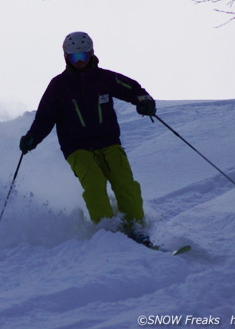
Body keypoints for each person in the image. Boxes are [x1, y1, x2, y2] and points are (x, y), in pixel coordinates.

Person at [19, 31, 157, 246]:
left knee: (125, 183)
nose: (80, 61)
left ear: (92, 53)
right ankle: (108, 232)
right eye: (75, 58)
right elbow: (45, 117)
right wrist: (32, 138)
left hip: (109, 141)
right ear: (66, 57)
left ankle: (136, 229)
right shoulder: (58, 85)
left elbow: (133, 89)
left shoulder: (105, 78)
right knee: (94, 183)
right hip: (76, 147)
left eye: (83, 56)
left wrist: (144, 101)